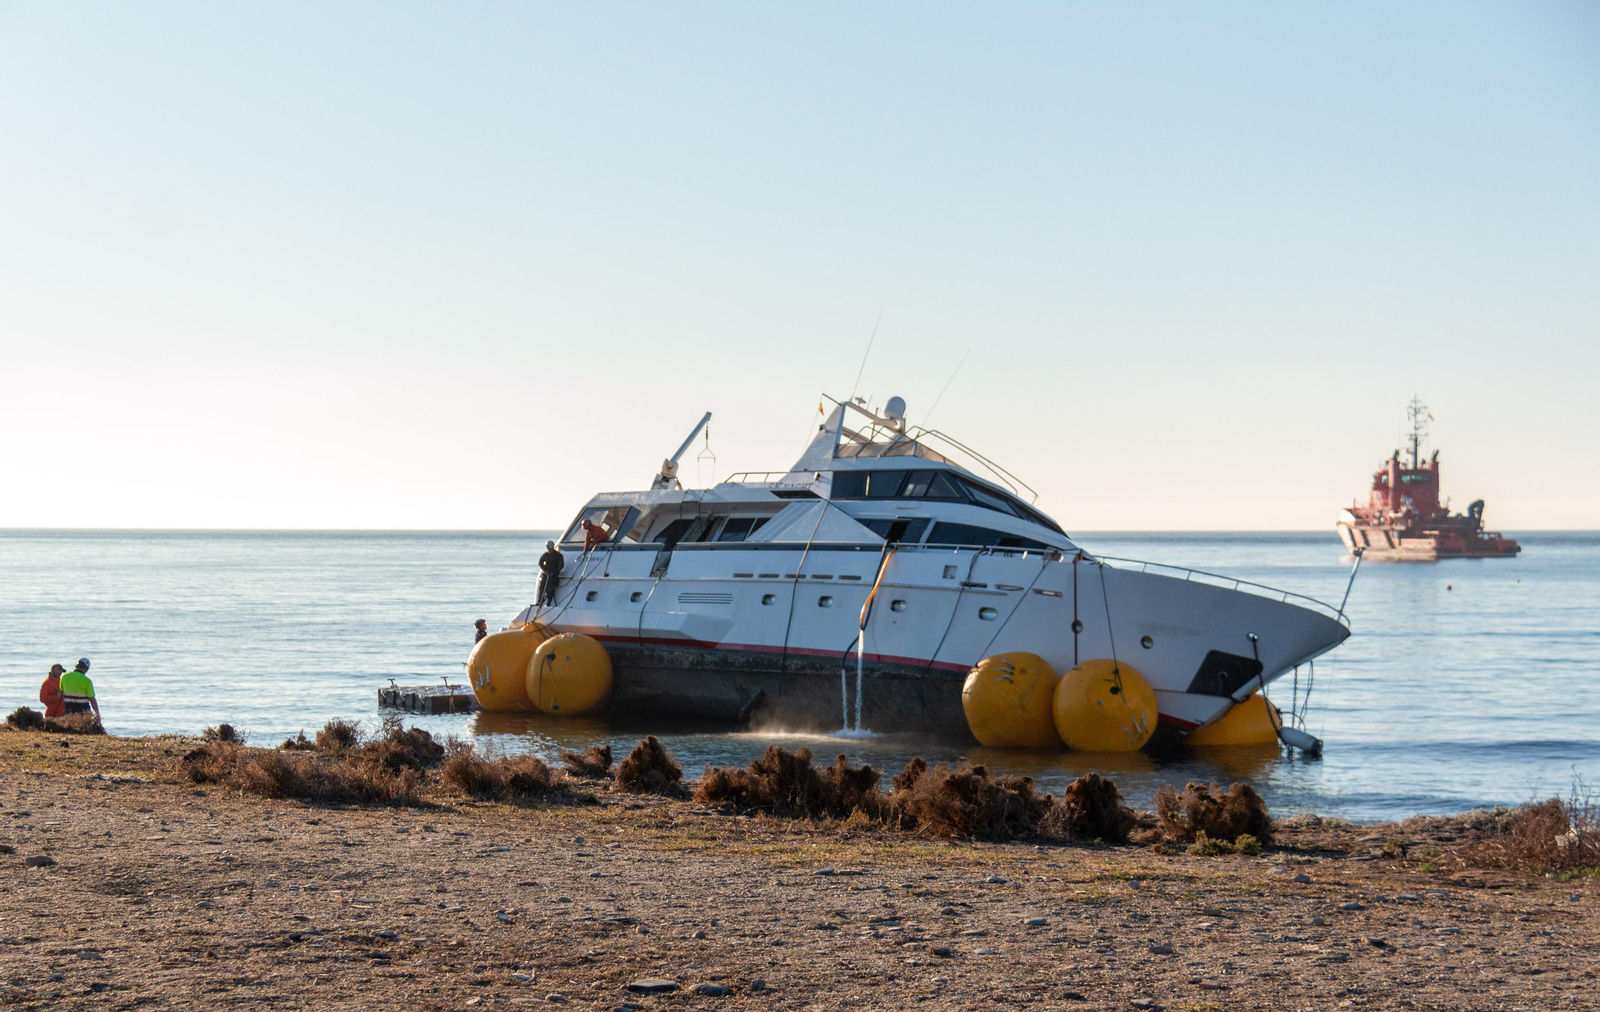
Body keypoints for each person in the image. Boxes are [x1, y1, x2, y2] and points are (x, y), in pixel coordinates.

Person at [538, 541, 564, 606]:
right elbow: (540, 563)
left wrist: (555, 572)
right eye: (548, 547)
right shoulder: (545, 555)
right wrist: (546, 570)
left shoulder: (558, 555)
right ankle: (540, 600)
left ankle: (549, 602)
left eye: (551, 547)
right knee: (542, 586)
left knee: (550, 587)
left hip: (554, 574)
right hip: (547, 573)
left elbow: (561, 565)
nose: (550, 549)